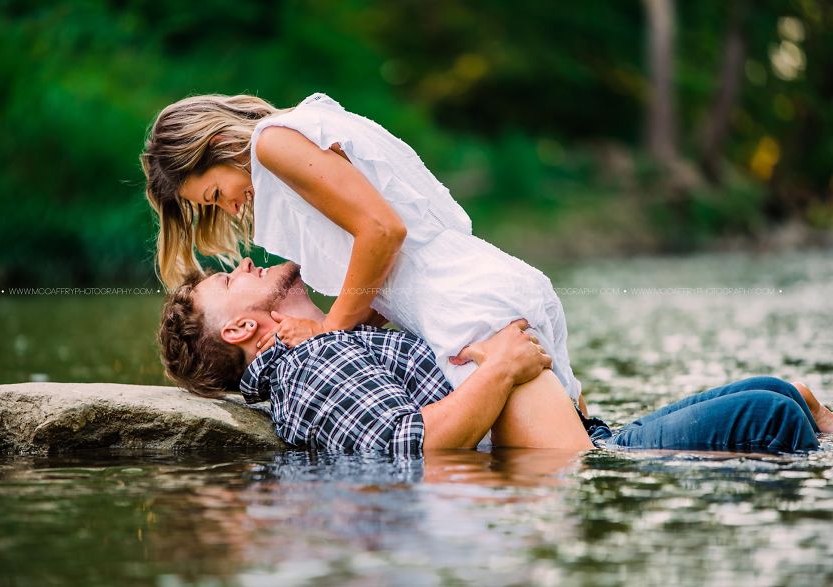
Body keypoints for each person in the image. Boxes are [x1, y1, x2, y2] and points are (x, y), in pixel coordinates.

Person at [141, 92, 589, 421]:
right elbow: (388, 265)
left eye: (217, 193)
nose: (231, 208)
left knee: (555, 467)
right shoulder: (300, 127)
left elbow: (381, 230)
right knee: (584, 438)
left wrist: (327, 330)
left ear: (218, 142)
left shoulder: (271, 144)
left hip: (464, 312)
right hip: (482, 287)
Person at [156, 258, 829, 456]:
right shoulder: (311, 369)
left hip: (588, 434)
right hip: (578, 460)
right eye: (227, 278)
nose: (241, 261)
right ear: (244, 326)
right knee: (767, 419)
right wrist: (503, 366)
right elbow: (407, 443)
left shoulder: (332, 340)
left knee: (778, 393)